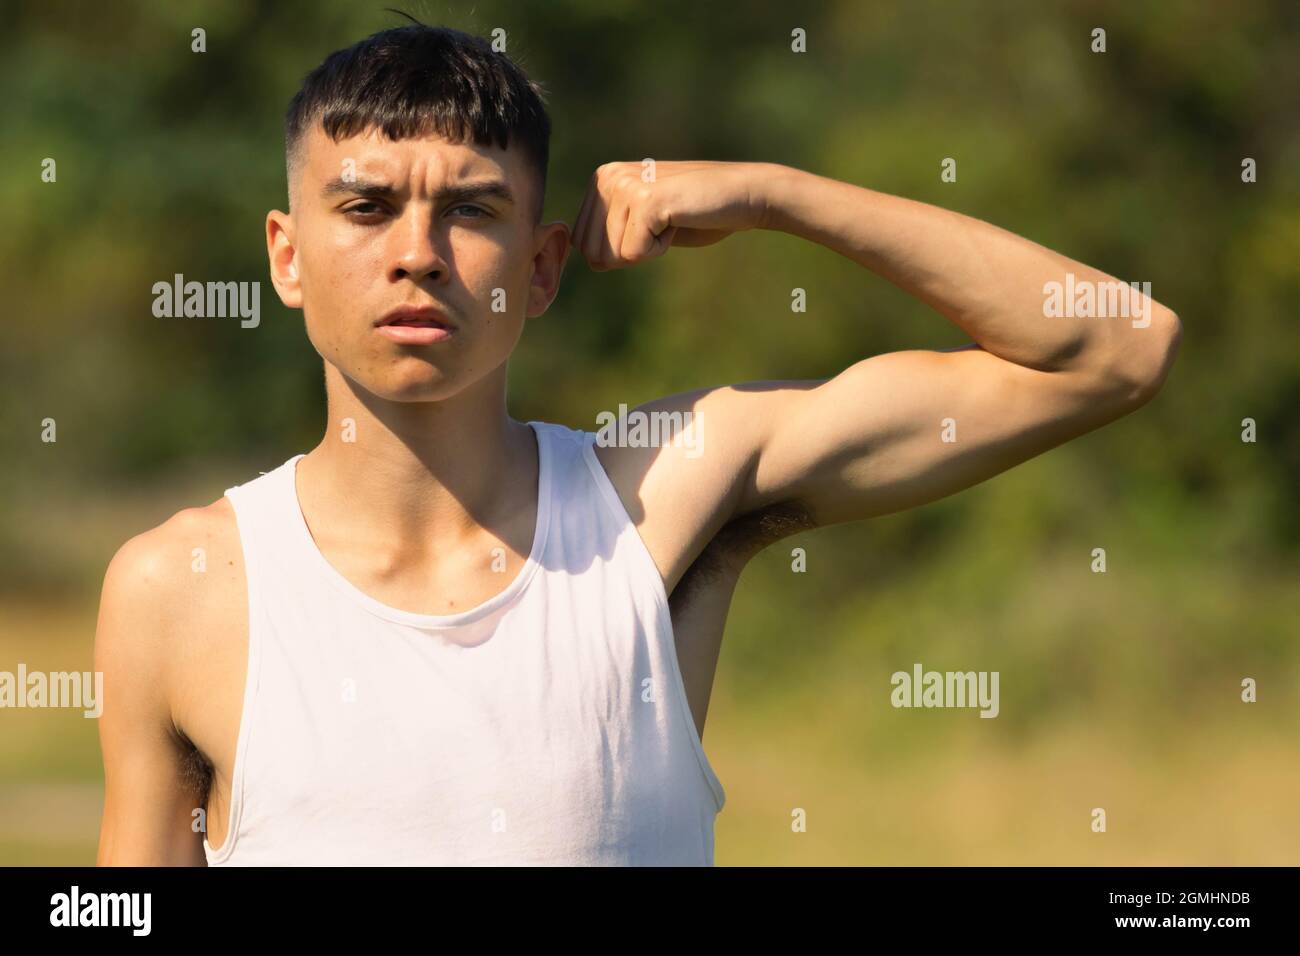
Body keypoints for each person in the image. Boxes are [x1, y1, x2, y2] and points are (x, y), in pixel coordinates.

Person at [94, 23, 1180, 866]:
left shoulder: (663, 490)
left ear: (546, 263)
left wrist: (773, 195)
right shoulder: (178, 587)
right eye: (368, 206)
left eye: (473, 211)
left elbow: (1115, 350)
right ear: (286, 256)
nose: (417, 253)